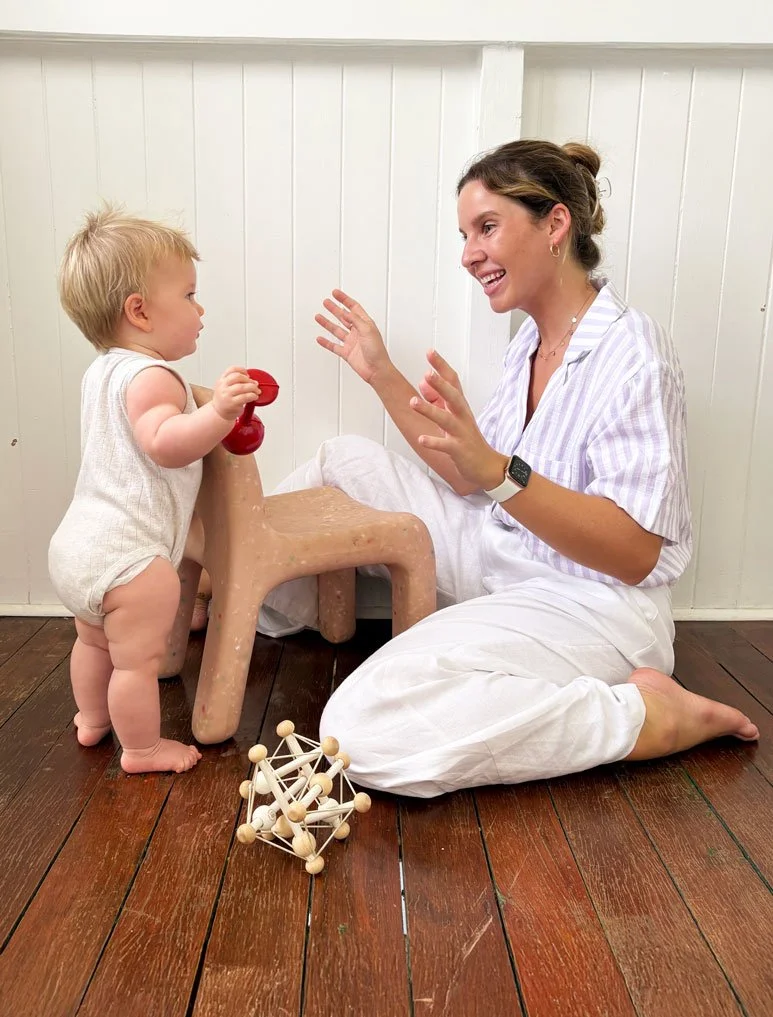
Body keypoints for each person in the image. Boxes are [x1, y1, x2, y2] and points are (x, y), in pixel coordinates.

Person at [211, 139, 759, 797]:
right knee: (341, 460)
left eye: (486, 227)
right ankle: (229, 592)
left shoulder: (635, 354)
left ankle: (644, 716)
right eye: (465, 235)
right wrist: (380, 373)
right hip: (500, 552)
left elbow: (635, 552)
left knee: (355, 726)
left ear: (555, 225)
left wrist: (499, 471)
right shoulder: (528, 342)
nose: (468, 253)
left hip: (591, 602)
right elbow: (469, 477)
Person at [49, 207, 260, 774]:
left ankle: (92, 719)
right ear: (139, 311)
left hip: (78, 545)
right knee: (134, 665)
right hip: (130, 558)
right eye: (189, 295)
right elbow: (165, 443)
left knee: (92, 642)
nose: (200, 309)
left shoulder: (102, 372)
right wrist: (218, 412)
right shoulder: (153, 378)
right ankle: (142, 749)